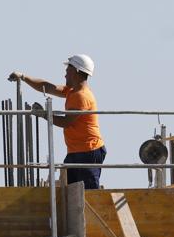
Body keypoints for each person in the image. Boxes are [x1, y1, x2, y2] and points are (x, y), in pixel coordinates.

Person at [9, 54, 106, 189]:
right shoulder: (72, 91)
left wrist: (44, 115)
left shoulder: (82, 96)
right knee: (71, 191)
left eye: (68, 70)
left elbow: (67, 122)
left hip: (88, 151)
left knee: (88, 193)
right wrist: (24, 77)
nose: (65, 74)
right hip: (76, 151)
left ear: (77, 71)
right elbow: (47, 87)